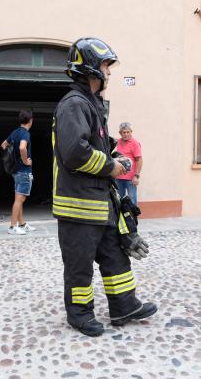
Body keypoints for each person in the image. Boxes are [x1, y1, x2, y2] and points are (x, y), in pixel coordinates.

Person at [52, 37, 157, 337]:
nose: (109, 72)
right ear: (90, 69)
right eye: (105, 65)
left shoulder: (91, 105)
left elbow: (98, 144)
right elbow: (74, 152)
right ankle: (80, 315)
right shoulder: (74, 104)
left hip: (99, 204)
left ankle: (124, 306)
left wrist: (115, 154)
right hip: (78, 207)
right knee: (79, 266)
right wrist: (111, 166)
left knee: (115, 256)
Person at [1, 109, 36, 235]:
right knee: (19, 200)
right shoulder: (25, 134)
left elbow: (4, 145)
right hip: (23, 171)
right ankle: (12, 227)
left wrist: (13, 157)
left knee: (18, 198)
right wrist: (26, 161)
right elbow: (22, 147)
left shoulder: (15, 132)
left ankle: (22, 224)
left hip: (15, 171)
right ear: (30, 121)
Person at [115, 122, 142, 205]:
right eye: (124, 132)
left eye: (128, 132)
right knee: (118, 201)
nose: (126, 134)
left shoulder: (135, 143)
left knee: (132, 201)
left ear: (131, 132)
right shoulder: (117, 142)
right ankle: (120, 218)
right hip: (118, 177)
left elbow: (139, 160)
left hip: (130, 179)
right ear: (120, 133)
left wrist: (136, 176)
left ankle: (133, 218)